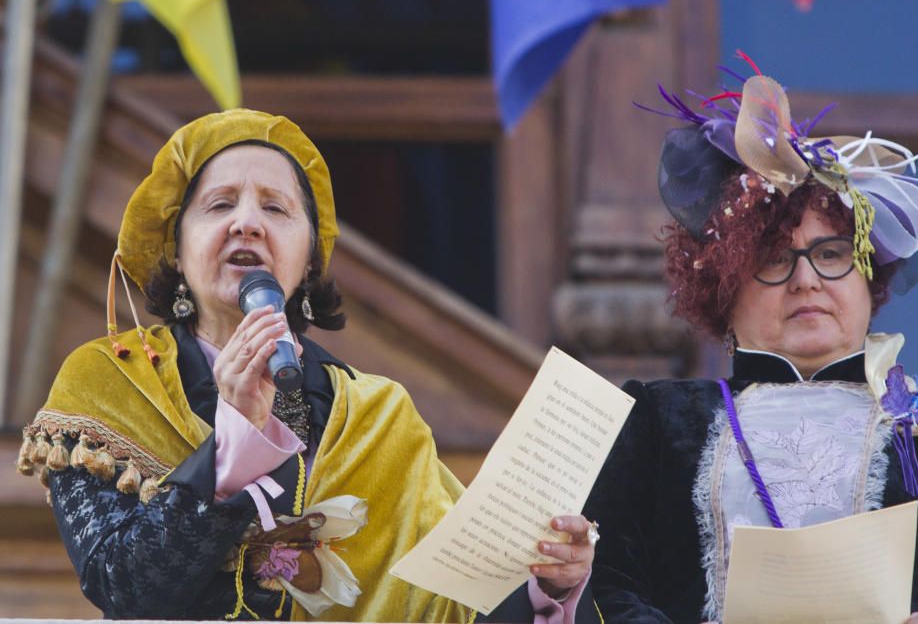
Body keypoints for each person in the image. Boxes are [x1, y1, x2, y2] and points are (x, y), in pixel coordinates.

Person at [16, 109, 598, 622]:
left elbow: (444, 611)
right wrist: (233, 443)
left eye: (276, 208)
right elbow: (124, 585)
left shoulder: (376, 416)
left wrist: (543, 585)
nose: (247, 222)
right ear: (177, 247)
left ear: (310, 257)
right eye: (220, 205)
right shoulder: (110, 379)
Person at [583, 57, 918, 623]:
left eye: (830, 255)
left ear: (868, 279)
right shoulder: (657, 417)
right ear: (724, 290)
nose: (806, 279)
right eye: (775, 259)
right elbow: (604, 582)